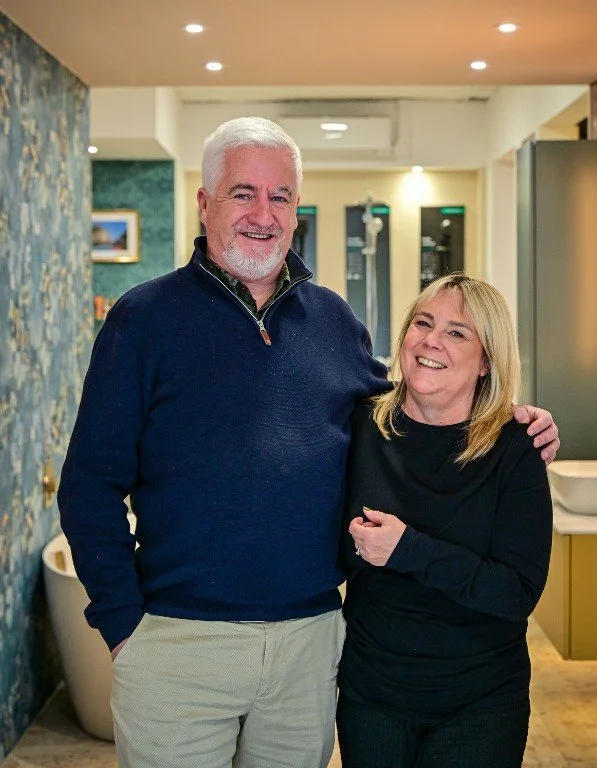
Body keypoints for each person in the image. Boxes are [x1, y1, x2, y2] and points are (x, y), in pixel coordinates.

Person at [58, 117, 559, 768]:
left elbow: (406, 409)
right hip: (178, 640)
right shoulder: (143, 320)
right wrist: (124, 625)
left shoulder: (334, 322)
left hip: (311, 642)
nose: (262, 214)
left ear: (297, 210)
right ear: (205, 203)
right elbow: (89, 485)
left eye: (281, 196)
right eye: (242, 193)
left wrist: (504, 416)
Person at [337, 273, 553, 768]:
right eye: (423, 322)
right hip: (372, 696)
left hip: (479, 704)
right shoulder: (361, 426)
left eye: (457, 332)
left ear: (486, 362)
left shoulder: (515, 449)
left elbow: (517, 591)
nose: (432, 340)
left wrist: (409, 549)